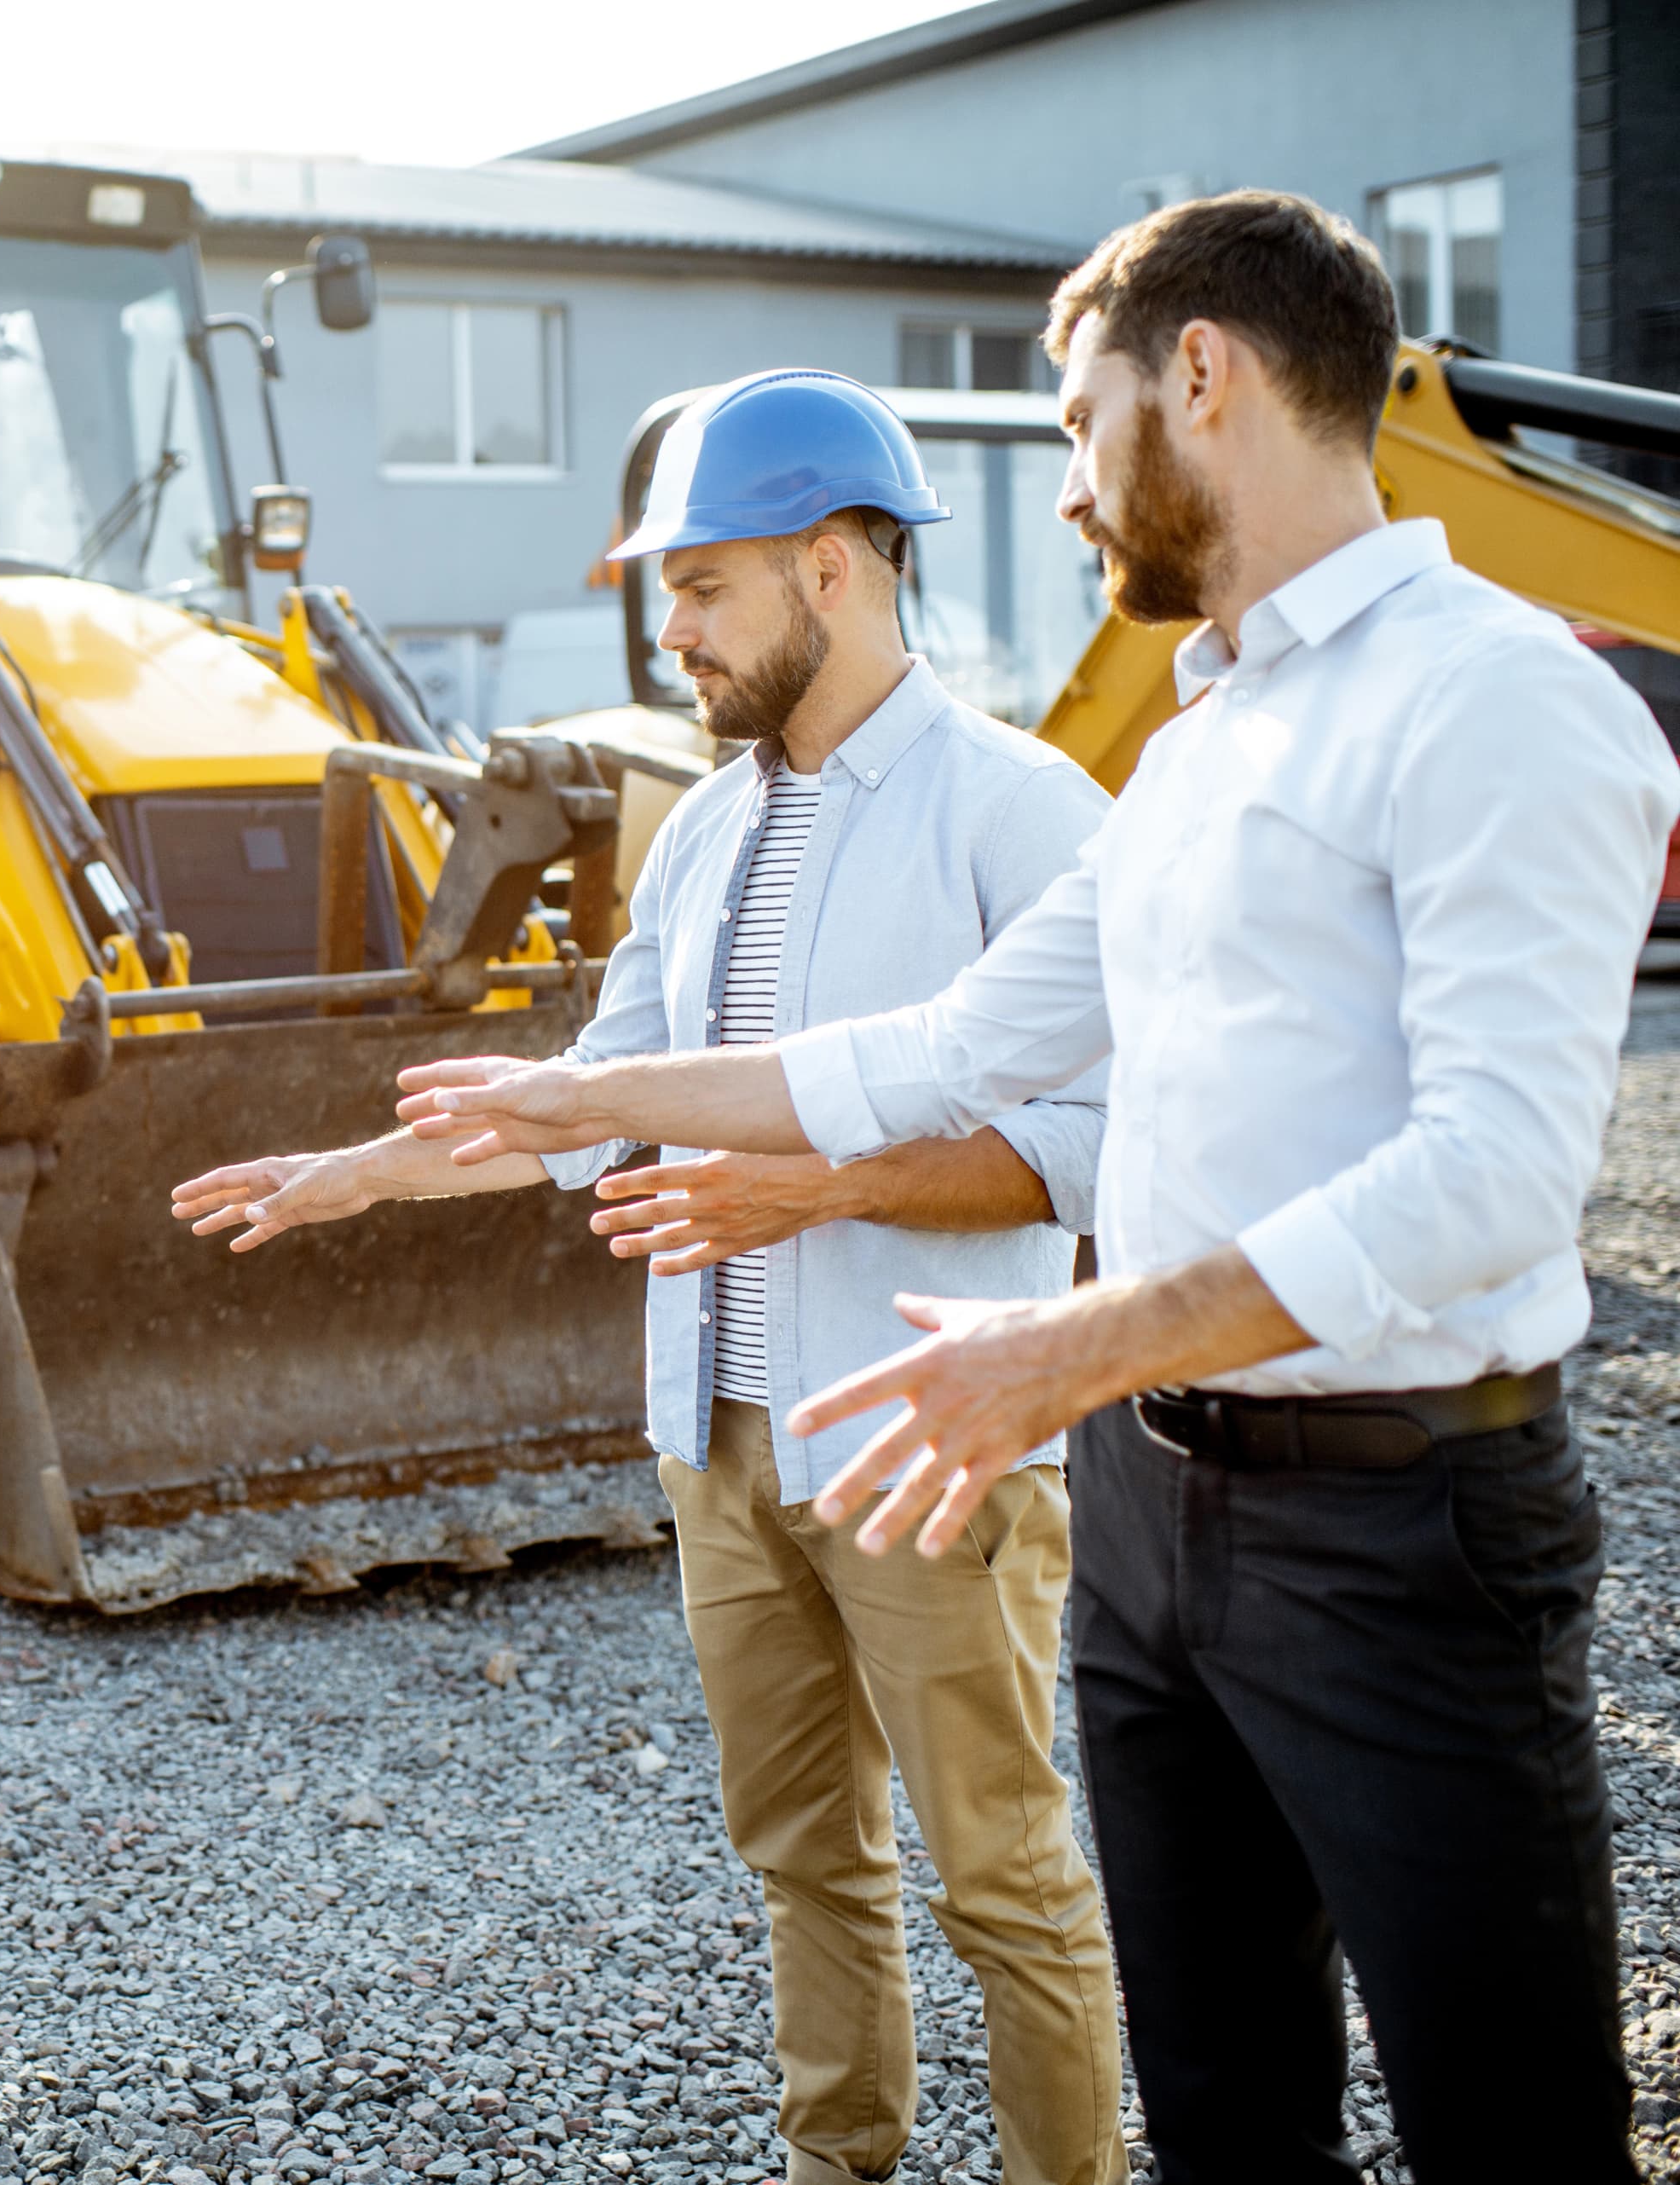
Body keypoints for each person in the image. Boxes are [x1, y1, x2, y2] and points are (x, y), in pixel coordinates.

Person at [388, 191, 1680, 2185]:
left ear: (1200, 375)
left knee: (1507, 2129)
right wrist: (580, 1093)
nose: (1071, 491)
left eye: (1077, 427)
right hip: (1162, 1518)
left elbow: (1498, 1177)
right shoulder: (1198, 746)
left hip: (1409, 1526)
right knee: (1233, 2111)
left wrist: (1063, 1342)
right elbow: (941, 1046)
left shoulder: (1496, 699)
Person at [176, 369, 1126, 2185]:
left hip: (928, 1441)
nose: (667, 629)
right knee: (803, 1861)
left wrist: (812, 1192)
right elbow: (584, 1102)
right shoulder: (697, 834)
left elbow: (1086, 1152)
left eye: (702, 586)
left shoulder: (1020, 811)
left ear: (836, 567)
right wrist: (348, 1179)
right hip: (720, 1443)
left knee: (1004, 1876)